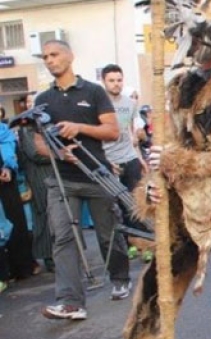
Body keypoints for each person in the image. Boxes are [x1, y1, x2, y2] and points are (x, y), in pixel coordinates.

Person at [36, 40, 131, 320]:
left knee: (108, 232)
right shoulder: (42, 100)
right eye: (45, 57)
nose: (49, 60)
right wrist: (59, 152)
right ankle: (70, 301)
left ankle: (120, 277)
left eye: (54, 54)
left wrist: (79, 127)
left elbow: (113, 132)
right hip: (62, 180)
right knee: (64, 238)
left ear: (70, 56)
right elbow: (39, 143)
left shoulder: (93, 91)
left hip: (96, 175)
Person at [100, 64, 150, 261]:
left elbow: (131, 134)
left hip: (129, 158)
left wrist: (140, 158)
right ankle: (127, 243)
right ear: (104, 82)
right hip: (108, 161)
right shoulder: (100, 104)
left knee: (136, 203)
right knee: (116, 206)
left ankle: (142, 244)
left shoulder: (130, 103)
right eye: (112, 80)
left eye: (119, 80)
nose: (116, 84)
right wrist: (103, 161)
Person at [17, 92, 55, 273]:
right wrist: (58, 155)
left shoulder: (47, 124)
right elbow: (35, 154)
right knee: (44, 215)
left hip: (53, 174)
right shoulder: (26, 129)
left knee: (57, 215)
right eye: (30, 102)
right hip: (39, 177)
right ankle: (48, 256)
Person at [0, 106, 38, 282]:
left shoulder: (4, 132)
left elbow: (12, 155)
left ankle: (22, 267)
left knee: (16, 222)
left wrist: (8, 167)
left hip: (7, 182)